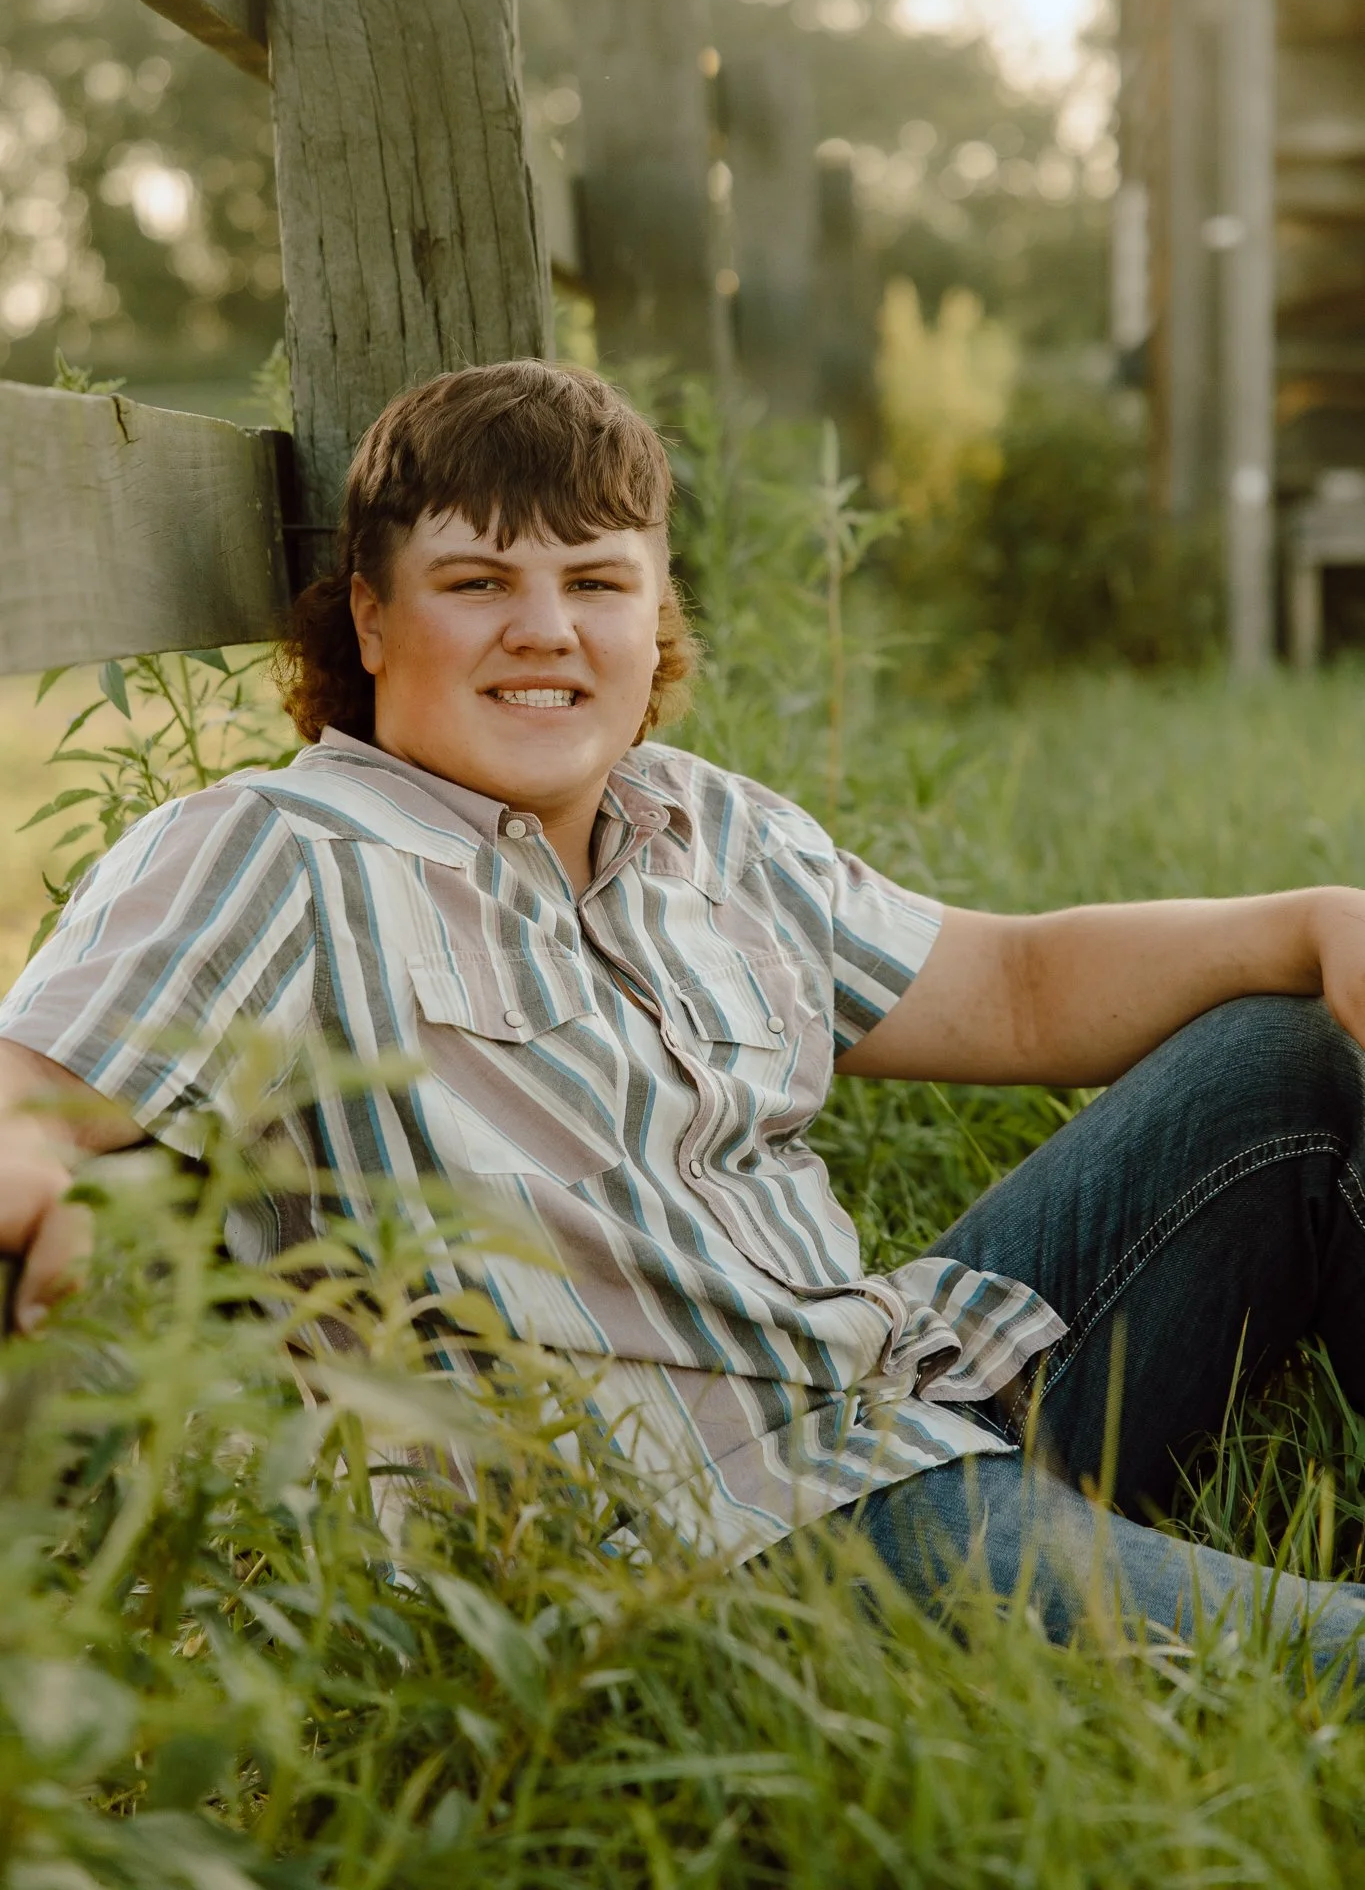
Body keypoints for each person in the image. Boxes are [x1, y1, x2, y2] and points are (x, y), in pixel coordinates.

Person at [3, 359, 1365, 1669]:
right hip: (685, 1548)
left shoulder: (703, 826)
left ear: (654, 614)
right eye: (477, 584)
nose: (546, 628)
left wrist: (1314, 922)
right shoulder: (273, 851)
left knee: (1291, 1065)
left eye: (596, 581)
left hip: (904, 1402)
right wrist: (56, 1182)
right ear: (370, 619)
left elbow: (1007, 989)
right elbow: (30, 1102)